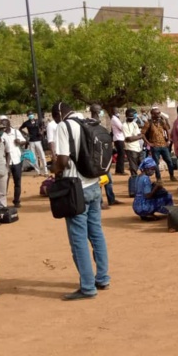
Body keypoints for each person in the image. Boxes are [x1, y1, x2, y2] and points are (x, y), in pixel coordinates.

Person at [53, 101, 110, 301]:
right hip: (94, 184)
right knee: (96, 233)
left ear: (59, 114)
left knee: (78, 240)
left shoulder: (64, 126)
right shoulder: (88, 122)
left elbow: (62, 160)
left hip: (76, 188)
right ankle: (102, 278)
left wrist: (55, 172)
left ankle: (87, 286)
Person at [90, 104, 122, 208]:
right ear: (96, 111)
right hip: (96, 158)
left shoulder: (100, 124)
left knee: (108, 180)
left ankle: (111, 199)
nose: (101, 112)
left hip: (104, 157)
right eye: (100, 110)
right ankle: (100, 203)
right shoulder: (91, 124)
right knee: (100, 181)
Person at [142, 107, 176, 182]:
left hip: (163, 145)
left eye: (159, 113)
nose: (158, 115)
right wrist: (149, 143)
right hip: (155, 146)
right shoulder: (148, 123)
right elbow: (143, 134)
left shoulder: (161, 122)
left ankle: (172, 176)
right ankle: (158, 178)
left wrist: (168, 140)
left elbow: (167, 129)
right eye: (156, 113)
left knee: (169, 161)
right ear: (152, 114)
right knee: (156, 163)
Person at [0, 117, 26, 208]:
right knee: (4, 182)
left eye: (4, 126)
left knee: (17, 181)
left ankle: (17, 201)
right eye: (2, 126)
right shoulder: (1, 134)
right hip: (5, 162)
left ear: (8, 125)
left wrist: (20, 142)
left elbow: (24, 141)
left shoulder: (15, 132)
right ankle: (2, 202)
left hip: (17, 160)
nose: (3, 128)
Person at [19, 111, 48, 175]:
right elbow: (20, 129)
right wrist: (26, 134)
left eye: (31, 114)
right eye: (29, 114)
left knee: (42, 156)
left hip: (38, 140)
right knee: (34, 157)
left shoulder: (38, 121)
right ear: (27, 116)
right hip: (31, 141)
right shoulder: (26, 123)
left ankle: (46, 171)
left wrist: (41, 132)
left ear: (33, 115)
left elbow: (43, 127)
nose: (30, 115)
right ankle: (38, 172)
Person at [122, 108, 144, 175]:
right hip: (130, 148)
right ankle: (134, 180)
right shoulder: (124, 125)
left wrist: (137, 137)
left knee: (142, 165)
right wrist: (139, 137)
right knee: (133, 167)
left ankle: (142, 180)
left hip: (138, 147)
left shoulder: (134, 124)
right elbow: (129, 139)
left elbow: (138, 134)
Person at [110, 107, 126, 175]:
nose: (117, 111)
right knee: (121, 155)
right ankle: (120, 170)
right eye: (116, 110)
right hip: (118, 138)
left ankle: (119, 170)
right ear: (113, 112)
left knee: (120, 155)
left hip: (119, 138)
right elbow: (121, 127)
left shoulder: (116, 119)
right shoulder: (115, 119)